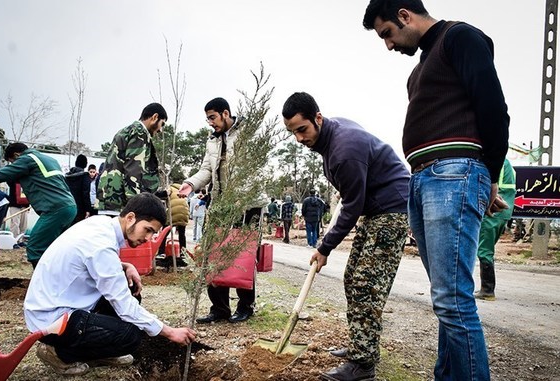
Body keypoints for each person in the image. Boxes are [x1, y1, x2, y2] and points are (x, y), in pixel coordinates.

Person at [363, 1, 510, 380]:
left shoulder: (459, 37)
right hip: (427, 179)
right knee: (445, 299)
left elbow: (494, 107)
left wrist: (489, 174)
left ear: (404, 14)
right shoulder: (422, 67)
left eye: (388, 34)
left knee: (452, 299)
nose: (389, 45)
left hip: (454, 173)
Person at [282, 92, 409, 381]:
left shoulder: (343, 149)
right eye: (293, 133)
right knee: (353, 277)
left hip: (391, 210)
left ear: (318, 118)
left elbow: (351, 206)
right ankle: (361, 346)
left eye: (302, 130)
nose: (299, 139)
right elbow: (353, 198)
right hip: (374, 209)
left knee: (367, 284)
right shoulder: (331, 140)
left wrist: (325, 246)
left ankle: (363, 365)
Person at [24, 192, 196, 376]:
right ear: (130, 218)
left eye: (153, 233)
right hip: (52, 319)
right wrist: (169, 332)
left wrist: (124, 266)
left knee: (132, 292)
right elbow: (124, 306)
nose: (148, 238)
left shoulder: (102, 224)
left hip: (60, 302)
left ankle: (97, 352)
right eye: (148, 230)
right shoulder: (102, 245)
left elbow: (87, 261)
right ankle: (59, 353)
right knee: (130, 335)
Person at [178, 97, 261, 324]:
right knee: (212, 253)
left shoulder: (247, 134)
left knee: (243, 256)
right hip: (219, 204)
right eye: (208, 119)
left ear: (226, 113)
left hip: (246, 204)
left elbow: (254, 170)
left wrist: (240, 198)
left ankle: (246, 306)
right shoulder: (212, 140)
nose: (210, 123)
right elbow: (206, 168)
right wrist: (191, 184)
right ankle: (219, 308)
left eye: (213, 118)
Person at [0, 142, 77, 268]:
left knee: (35, 248)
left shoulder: (26, 159)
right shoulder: (48, 159)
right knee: (56, 247)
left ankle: (41, 283)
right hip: (70, 206)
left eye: (11, 162)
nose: (13, 166)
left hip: (55, 209)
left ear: (16, 155)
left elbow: (0, 174)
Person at [97, 103, 168, 215]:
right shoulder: (140, 133)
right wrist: (136, 205)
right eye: (162, 124)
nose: (160, 130)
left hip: (109, 195)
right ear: (154, 117)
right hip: (121, 201)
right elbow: (133, 171)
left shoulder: (126, 130)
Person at [476, 159, 516, 301]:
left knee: (484, 250)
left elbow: (488, 185)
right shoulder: (506, 163)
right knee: (486, 248)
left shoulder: (495, 162)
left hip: (493, 210)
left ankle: (487, 290)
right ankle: (486, 289)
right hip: (504, 212)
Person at [157, 183, 190, 266]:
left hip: (173, 212)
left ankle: (161, 252)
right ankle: (183, 253)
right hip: (184, 212)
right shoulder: (182, 190)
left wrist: (156, 193)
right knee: (182, 234)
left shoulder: (170, 188)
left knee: (164, 233)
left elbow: (164, 194)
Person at [65, 154, 91, 225]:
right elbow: (86, 194)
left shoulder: (67, 176)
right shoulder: (85, 176)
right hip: (80, 209)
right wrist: (88, 209)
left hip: (67, 206)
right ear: (85, 164)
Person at [6, 180, 29, 248]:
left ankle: (20, 240)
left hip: (24, 205)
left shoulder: (26, 181)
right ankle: (13, 241)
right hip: (15, 204)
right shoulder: (13, 180)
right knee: (15, 223)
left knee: (23, 224)